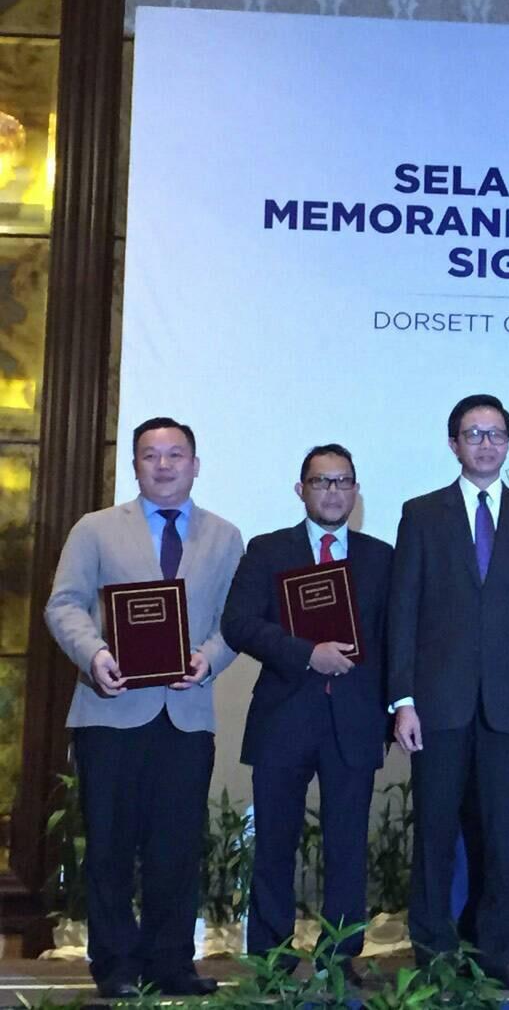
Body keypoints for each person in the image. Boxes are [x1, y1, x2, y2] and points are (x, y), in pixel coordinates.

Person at [44, 417, 244, 999]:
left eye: (175, 454)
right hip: (110, 712)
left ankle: (171, 964)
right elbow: (64, 605)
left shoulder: (225, 536)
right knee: (108, 847)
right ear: (134, 466)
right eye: (150, 455)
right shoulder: (96, 529)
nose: (163, 465)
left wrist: (209, 657)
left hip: (186, 715)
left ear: (196, 463)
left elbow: (235, 621)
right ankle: (114, 967)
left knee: (177, 847)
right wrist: (96, 653)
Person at [387, 394, 509, 989]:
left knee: (503, 836)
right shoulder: (422, 514)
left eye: (495, 434)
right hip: (437, 702)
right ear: (453, 443)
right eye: (473, 434)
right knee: (435, 833)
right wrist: (401, 698)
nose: (485, 444)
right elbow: (403, 612)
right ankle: (433, 954)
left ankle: (497, 953)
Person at [221, 444, 393, 980]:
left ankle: (340, 958)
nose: (333, 492)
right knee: (274, 843)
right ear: (301, 490)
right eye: (322, 482)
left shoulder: (381, 557)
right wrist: (306, 654)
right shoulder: (269, 551)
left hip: (355, 719)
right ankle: (271, 959)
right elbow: (238, 624)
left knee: (347, 845)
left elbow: (396, 639)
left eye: (343, 482)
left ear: (356, 490)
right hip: (284, 717)